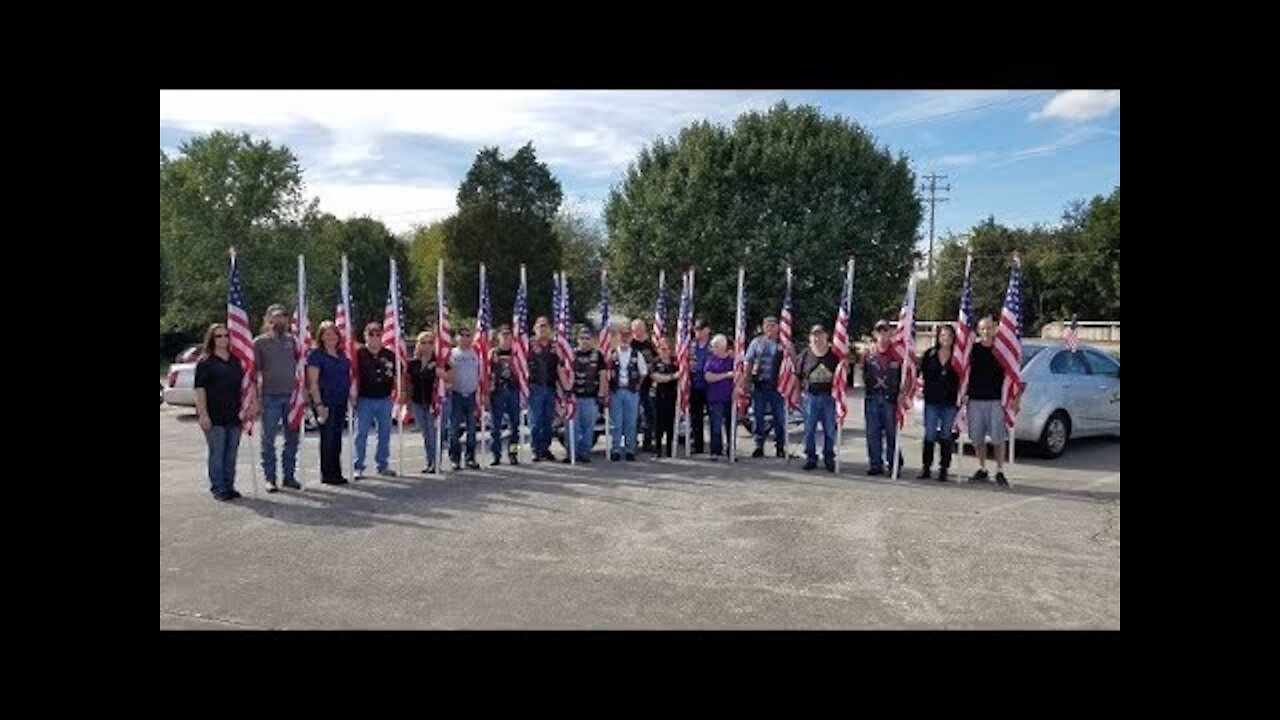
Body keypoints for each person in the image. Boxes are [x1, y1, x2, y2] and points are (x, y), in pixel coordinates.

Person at [194, 323, 255, 501]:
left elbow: (247, 385)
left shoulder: (236, 360)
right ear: (211, 339)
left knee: (231, 453)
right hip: (214, 415)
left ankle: (229, 485)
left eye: (225, 335)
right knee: (217, 452)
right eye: (218, 336)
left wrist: (250, 404)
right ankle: (218, 487)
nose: (222, 339)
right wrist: (203, 414)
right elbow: (199, 390)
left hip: (235, 414)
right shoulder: (205, 362)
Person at [965, 316, 1019, 487]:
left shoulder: (1003, 351)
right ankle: (982, 468)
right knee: (976, 438)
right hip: (975, 400)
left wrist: (1016, 398)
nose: (986, 332)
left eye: (989, 328)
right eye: (983, 329)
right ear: (979, 331)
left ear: (995, 329)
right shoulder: (972, 350)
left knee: (997, 438)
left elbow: (1014, 375)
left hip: (996, 401)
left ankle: (1000, 470)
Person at [253, 303, 301, 491]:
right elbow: (254, 372)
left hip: (292, 397)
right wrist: (255, 398)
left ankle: (289, 476)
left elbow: (301, 365)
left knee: (292, 438)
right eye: (276, 316)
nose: (280, 320)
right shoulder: (260, 342)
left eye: (283, 316)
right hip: (270, 396)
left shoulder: (293, 341)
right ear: (269, 319)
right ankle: (270, 478)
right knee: (268, 439)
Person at [306, 321, 352, 485]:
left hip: (340, 401)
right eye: (327, 333)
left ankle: (337, 472)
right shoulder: (316, 356)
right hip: (325, 401)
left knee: (337, 437)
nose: (331, 336)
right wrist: (318, 405)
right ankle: (328, 474)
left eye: (333, 333)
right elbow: (313, 382)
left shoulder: (342, 355)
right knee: (328, 437)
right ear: (321, 337)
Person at [354, 321, 399, 479]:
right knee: (361, 434)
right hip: (364, 398)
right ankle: (358, 465)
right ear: (365, 335)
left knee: (385, 433)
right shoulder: (359, 354)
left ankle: (383, 464)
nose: (374, 337)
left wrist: (402, 391)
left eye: (377, 334)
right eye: (370, 334)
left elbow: (396, 374)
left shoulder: (390, 355)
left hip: (384, 398)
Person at [795, 324, 840, 471]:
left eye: (820, 335)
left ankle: (829, 458)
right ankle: (811, 458)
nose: (817, 338)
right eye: (814, 335)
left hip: (829, 398)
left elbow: (841, 376)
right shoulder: (805, 355)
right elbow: (797, 377)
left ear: (826, 337)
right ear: (810, 337)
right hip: (810, 397)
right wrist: (796, 395)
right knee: (809, 430)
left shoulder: (834, 356)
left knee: (829, 430)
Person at [918, 323, 960, 481]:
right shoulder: (930, 355)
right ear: (938, 337)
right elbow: (922, 376)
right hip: (932, 400)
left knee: (945, 435)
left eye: (949, 336)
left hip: (949, 401)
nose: (946, 339)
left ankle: (944, 469)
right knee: (929, 434)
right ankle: (926, 467)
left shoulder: (958, 356)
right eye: (943, 335)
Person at [862, 320, 904, 476]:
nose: (882, 335)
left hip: (890, 399)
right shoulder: (868, 354)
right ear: (874, 334)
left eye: (886, 331)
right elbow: (863, 372)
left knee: (891, 433)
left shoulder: (898, 354)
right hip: (872, 397)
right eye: (879, 331)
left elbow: (906, 375)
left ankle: (894, 464)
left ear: (891, 333)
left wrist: (903, 392)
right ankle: (875, 464)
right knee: (873, 433)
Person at [743, 315, 788, 459]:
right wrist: (746, 382)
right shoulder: (756, 343)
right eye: (767, 325)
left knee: (779, 418)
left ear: (778, 327)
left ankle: (780, 447)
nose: (770, 328)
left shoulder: (783, 343)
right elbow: (748, 363)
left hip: (777, 387)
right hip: (759, 385)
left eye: (773, 325)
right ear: (763, 327)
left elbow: (792, 363)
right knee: (758, 417)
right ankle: (758, 446)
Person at [565, 325, 607, 463]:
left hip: (590, 397)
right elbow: (562, 371)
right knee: (572, 428)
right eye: (582, 338)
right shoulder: (571, 354)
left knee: (588, 428)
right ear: (577, 340)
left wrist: (601, 394)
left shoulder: (598, 355)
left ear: (591, 340)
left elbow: (603, 375)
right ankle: (572, 453)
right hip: (574, 397)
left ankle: (584, 453)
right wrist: (566, 390)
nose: (585, 341)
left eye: (587, 338)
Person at [607, 324, 649, 461]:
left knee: (631, 422)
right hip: (617, 391)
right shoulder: (612, 353)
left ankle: (630, 449)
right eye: (622, 335)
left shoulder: (637, 354)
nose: (624, 338)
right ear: (618, 337)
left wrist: (637, 385)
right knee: (616, 423)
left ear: (630, 337)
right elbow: (606, 372)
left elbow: (643, 372)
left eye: (627, 335)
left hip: (631, 392)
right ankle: (616, 449)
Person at [446, 326, 483, 470]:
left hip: (472, 395)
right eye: (462, 335)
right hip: (456, 395)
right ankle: (455, 458)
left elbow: (482, 373)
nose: (466, 338)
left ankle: (470, 458)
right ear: (457, 338)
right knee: (454, 429)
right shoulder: (451, 354)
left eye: (468, 335)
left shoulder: (477, 353)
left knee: (472, 429)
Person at [407, 329, 440, 474]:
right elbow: (408, 383)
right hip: (417, 402)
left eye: (430, 343)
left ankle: (435, 463)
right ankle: (430, 462)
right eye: (423, 342)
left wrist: (441, 374)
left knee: (433, 433)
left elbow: (451, 378)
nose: (427, 346)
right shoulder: (413, 363)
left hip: (433, 402)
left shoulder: (439, 362)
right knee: (426, 434)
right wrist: (407, 403)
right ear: (418, 345)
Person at [487, 325, 522, 466]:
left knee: (515, 426)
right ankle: (496, 454)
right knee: (495, 426)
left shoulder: (517, 353)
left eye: (509, 335)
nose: (506, 338)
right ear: (499, 338)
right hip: (498, 392)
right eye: (504, 335)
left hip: (513, 390)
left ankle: (513, 453)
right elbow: (486, 372)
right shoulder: (493, 353)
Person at [527, 316, 559, 462]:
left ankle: (545, 448)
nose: (543, 328)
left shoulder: (555, 346)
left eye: (545, 325)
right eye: (540, 326)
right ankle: (536, 449)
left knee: (548, 420)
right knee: (535, 421)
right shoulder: (528, 345)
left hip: (551, 387)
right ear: (535, 328)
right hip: (535, 386)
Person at [703, 334, 736, 460]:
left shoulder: (733, 359)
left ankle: (731, 451)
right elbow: (708, 377)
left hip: (730, 397)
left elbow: (739, 375)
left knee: (730, 426)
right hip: (715, 398)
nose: (712, 348)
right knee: (715, 426)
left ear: (721, 347)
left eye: (714, 346)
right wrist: (725, 375)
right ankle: (715, 451)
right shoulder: (711, 359)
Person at [630, 319, 658, 452]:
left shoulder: (650, 345)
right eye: (636, 328)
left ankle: (647, 441)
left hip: (648, 385)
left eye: (641, 327)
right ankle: (632, 442)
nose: (639, 330)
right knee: (635, 416)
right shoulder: (630, 345)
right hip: (634, 386)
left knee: (649, 415)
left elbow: (656, 360)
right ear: (633, 330)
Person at [650, 339, 679, 458]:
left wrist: (673, 377)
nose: (665, 352)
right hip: (658, 397)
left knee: (670, 425)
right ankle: (657, 450)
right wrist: (673, 377)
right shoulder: (655, 363)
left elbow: (682, 376)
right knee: (658, 425)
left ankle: (670, 450)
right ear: (658, 350)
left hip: (672, 396)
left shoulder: (675, 363)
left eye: (668, 349)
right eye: (663, 349)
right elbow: (656, 377)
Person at [689, 319, 711, 454]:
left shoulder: (713, 345)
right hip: (695, 385)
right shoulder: (690, 346)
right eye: (696, 329)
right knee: (696, 417)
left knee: (715, 416)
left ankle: (717, 445)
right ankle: (698, 446)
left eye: (701, 329)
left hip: (711, 386)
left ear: (707, 330)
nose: (698, 332)